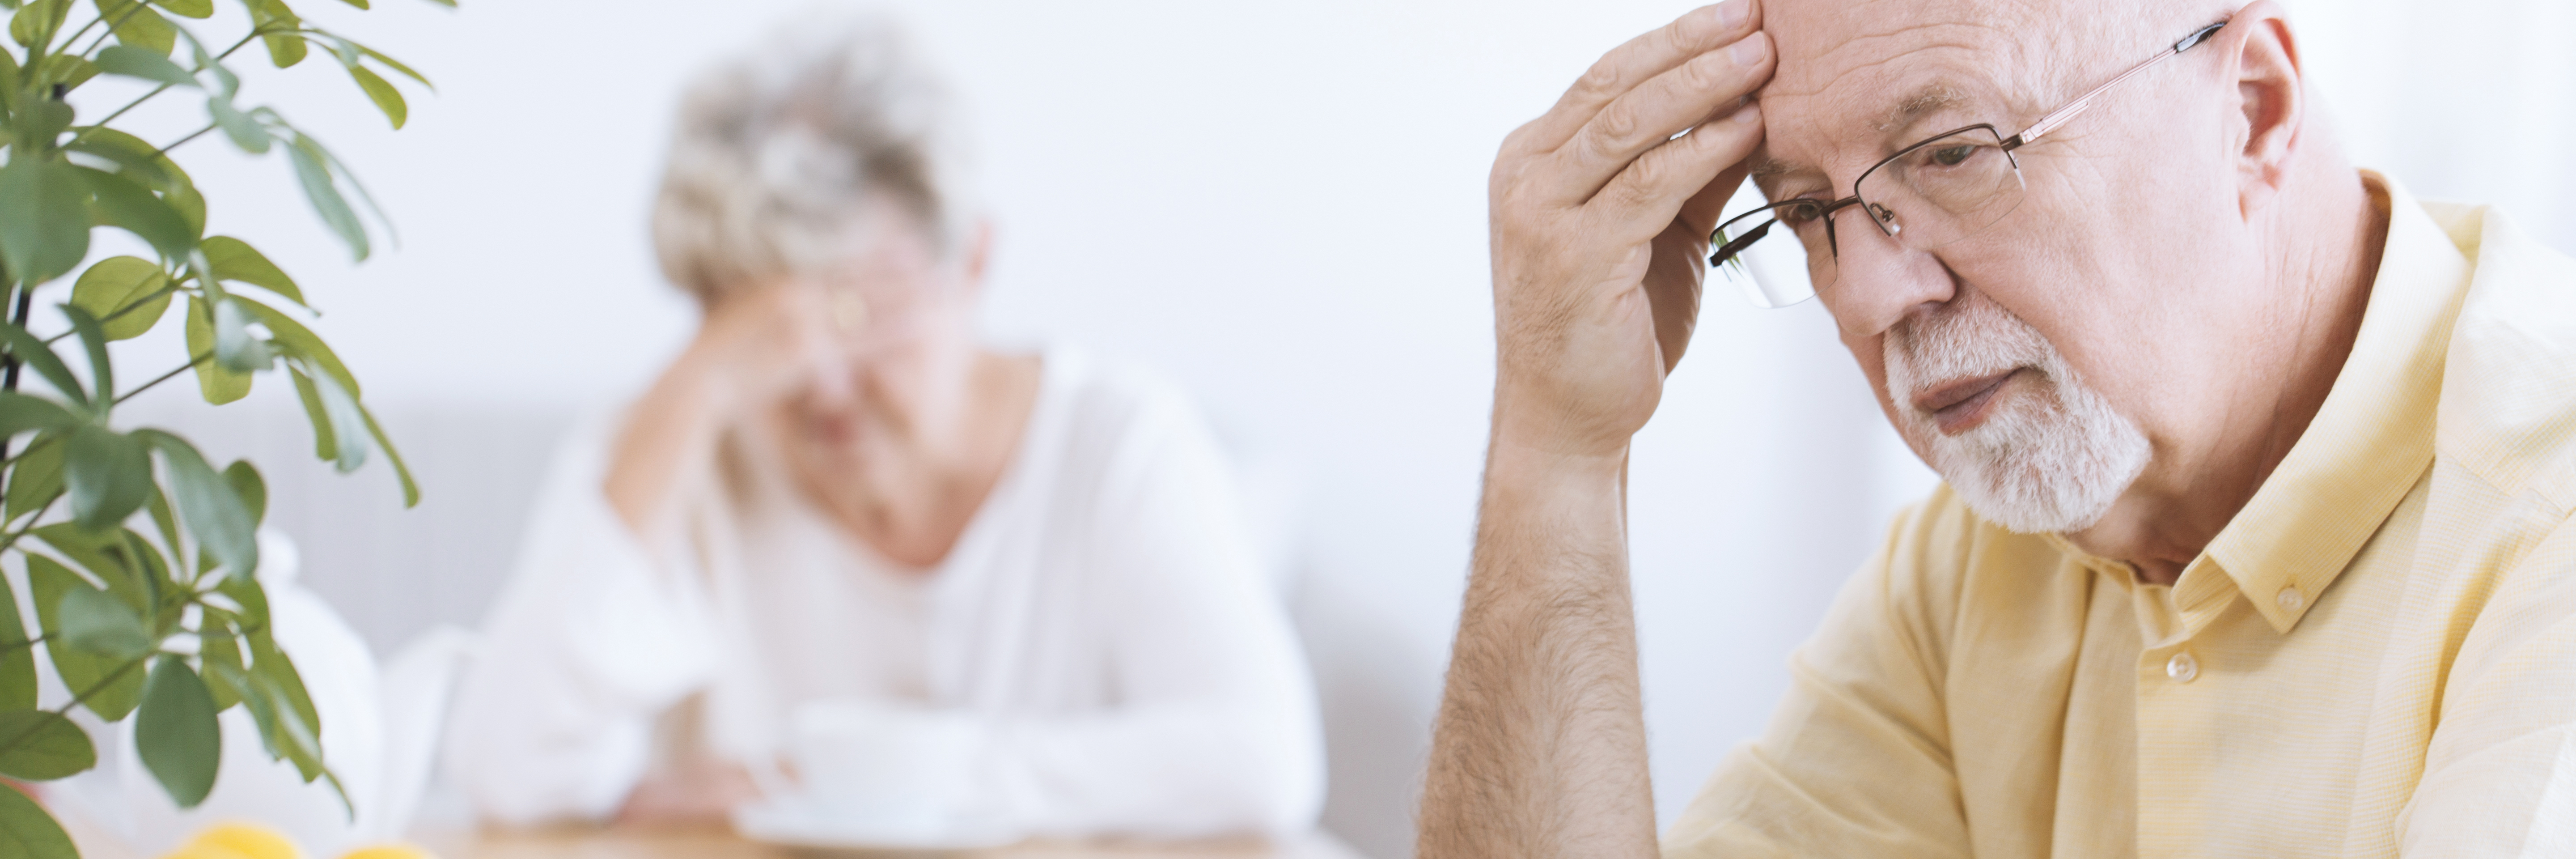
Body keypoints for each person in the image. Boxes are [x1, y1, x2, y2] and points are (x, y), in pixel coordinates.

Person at [1421, 0, 2576, 855]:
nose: (1869, 299)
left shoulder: (2545, 542)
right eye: (1808, 211)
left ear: (2251, 109)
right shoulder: (1979, 568)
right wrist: (1559, 452)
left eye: (1954, 155)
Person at [444, 15, 1322, 840]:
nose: (822, 381)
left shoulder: (1117, 442)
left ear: (972, 257)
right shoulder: (679, 443)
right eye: (764, 329)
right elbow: (511, 776)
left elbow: (1262, 760)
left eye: (862, 308)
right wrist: (698, 385)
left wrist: (847, 782)